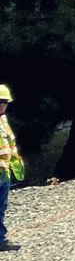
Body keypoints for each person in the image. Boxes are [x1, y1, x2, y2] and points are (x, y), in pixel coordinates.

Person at [0, 85, 22, 250]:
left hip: (4, 172)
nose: (2, 105)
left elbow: (10, 145)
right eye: (0, 102)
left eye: (5, 102)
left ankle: (0, 239)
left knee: (1, 207)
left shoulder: (4, 121)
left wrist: (16, 165)